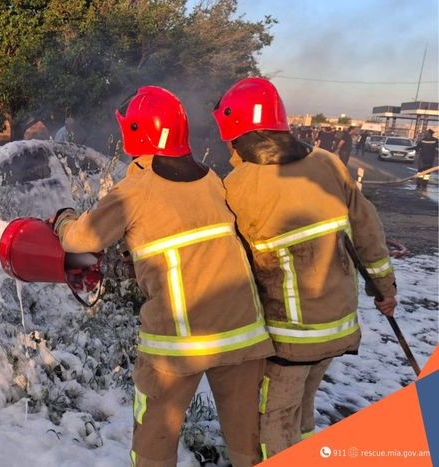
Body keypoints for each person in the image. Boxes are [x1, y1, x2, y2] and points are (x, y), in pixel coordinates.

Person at [52, 86, 274, 467]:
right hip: (243, 333)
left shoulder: (135, 190)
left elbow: (81, 239)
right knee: (249, 444)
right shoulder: (211, 179)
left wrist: (62, 220)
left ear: (135, 133)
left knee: (153, 441)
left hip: (177, 343)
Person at [212, 78, 397, 460]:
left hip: (289, 339)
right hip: (337, 326)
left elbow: (227, 265)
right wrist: (385, 288)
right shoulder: (328, 163)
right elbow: (368, 232)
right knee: (302, 409)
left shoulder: (237, 186)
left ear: (235, 132)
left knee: (274, 420)